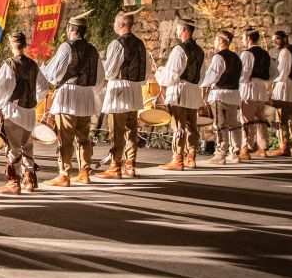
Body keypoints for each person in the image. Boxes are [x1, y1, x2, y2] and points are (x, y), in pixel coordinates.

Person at [41, 14, 103, 186]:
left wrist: (44, 70)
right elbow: (100, 77)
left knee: (65, 137)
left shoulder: (67, 47)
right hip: (86, 97)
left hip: (68, 97)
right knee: (84, 137)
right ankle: (84, 172)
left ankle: (64, 174)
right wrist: (89, 91)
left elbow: (53, 74)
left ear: (71, 29)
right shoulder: (92, 50)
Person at [0, 30, 48, 193]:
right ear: (24, 44)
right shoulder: (33, 64)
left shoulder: (9, 64)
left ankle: (14, 182)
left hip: (13, 112)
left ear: (11, 44)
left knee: (13, 147)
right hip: (29, 113)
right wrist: (33, 100)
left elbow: (2, 88)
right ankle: (29, 180)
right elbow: (43, 87)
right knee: (27, 146)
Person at [96, 11, 147, 179]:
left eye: (115, 22)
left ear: (122, 25)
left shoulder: (117, 44)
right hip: (135, 90)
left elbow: (110, 71)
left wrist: (102, 66)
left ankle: (115, 166)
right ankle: (130, 165)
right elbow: (146, 72)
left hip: (119, 90)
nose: (113, 25)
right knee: (131, 131)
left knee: (116, 131)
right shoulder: (141, 44)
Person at [156, 20, 205, 170]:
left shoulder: (179, 49)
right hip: (193, 91)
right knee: (192, 125)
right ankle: (191, 157)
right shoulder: (200, 51)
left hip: (179, 91)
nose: (176, 32)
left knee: (179, 125)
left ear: (184, 30)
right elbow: (202, 75)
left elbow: (172, 74)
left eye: (178, 29)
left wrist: (159, 73)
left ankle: (177, 159)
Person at [199, 30, 243, 165]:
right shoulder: (237, 58)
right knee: (233, 124)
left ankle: (220, 153)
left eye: (216, 40)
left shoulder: (219, 57)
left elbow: (213, 75)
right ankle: (235, 152)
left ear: (221, 41)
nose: (215, 42)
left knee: (220, 124)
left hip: (219, 94)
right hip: (234, 94)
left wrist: (202, 85)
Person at [268, 30, 292, 156]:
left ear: (285, 38)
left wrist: (271, 79)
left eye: (277, 39)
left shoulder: (285, 52)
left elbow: (281, 73)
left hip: (284, 88)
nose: (275, 42)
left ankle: (284, 146)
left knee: (282, 119)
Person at [237, 29, 271, 160]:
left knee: (246, 120)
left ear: (248, 38)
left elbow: (244, 73)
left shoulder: (247, 54)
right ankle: (263, 148)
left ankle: (246, 148)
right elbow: (274, 72)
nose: (242, 40)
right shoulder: (265, 53)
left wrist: (240, 84)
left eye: (243, 38)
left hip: (249, 89)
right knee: (260, 119)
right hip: (261, 89)